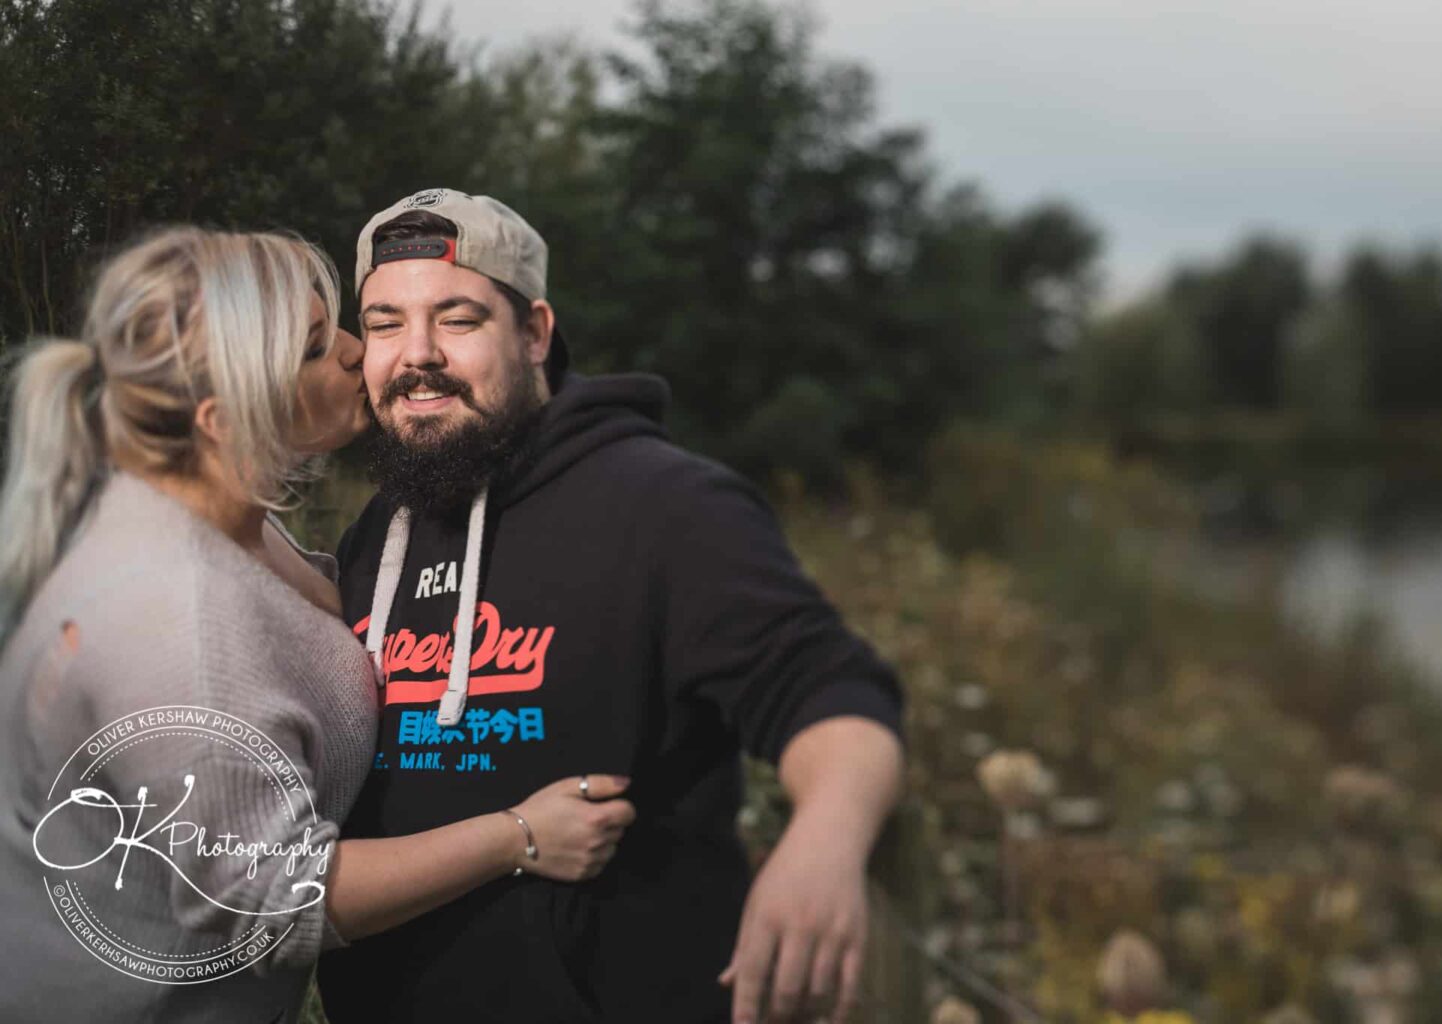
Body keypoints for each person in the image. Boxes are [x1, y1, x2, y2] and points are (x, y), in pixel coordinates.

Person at [0, 227, 631, 1023]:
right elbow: (276, 900)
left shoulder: (224, 518)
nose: (352, 350)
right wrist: (519, 834)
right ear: (221, 418)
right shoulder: (178, 620)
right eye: (308, 349)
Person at [316, 189, 906, 1024]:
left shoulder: (666, 507)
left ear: (534, 334)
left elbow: (833, 692)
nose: (417, 355)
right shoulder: (380, 531)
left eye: (457, 319)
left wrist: (825, 843)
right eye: (383, 323)